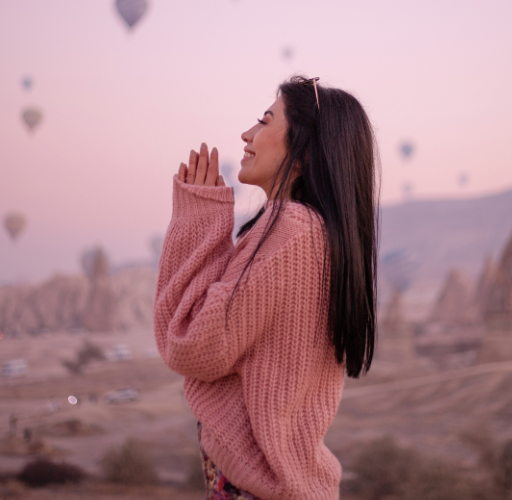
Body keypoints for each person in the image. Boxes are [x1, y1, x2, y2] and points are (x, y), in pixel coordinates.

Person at [154, 76, 378, 500]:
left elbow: (192, 344)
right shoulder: (316, 233)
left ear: (305, 152)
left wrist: (199, 221)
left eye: (265, 121)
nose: (247, 134)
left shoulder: (290, 231)